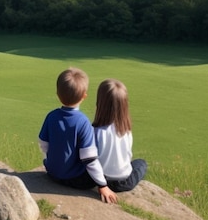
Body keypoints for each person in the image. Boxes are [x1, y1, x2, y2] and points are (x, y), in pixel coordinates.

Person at [38, 67, 117, 203]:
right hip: (75, 180)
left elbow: (43, 144)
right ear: (84, 96)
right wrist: (102, 185)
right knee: (104, 169)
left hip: (52, 173)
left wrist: (52, 162)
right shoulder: (83, 122)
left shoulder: (51, 116)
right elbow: (89, 159)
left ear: (58, 94)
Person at [92, 78, 147, 192]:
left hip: (99, 179)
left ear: (100, 103)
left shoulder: (95, 131)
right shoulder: (126, 131)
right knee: (141, 163)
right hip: (124, 182)